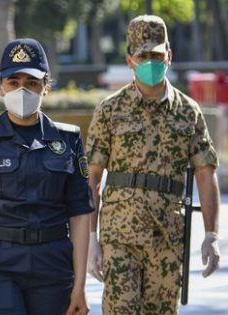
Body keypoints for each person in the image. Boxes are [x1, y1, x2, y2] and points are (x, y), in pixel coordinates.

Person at [86, 15, 221, 315]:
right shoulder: (110, 110)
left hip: (167, 237)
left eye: (157, 55)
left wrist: (212, 236)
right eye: (142, 55)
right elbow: (92, 178)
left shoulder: (188, 112)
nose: (150, 61)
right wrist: (90, 239)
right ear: (130, 60)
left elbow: (205, 172)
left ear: (169, 56)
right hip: (120, 236)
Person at [0, 38, 93, 315]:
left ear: (46, 87)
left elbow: (79, 214)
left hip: (53, 263)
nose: (22, 89)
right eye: (13, 82)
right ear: (1, 86)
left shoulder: (68, 140)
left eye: (32, 82)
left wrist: (80, 286)